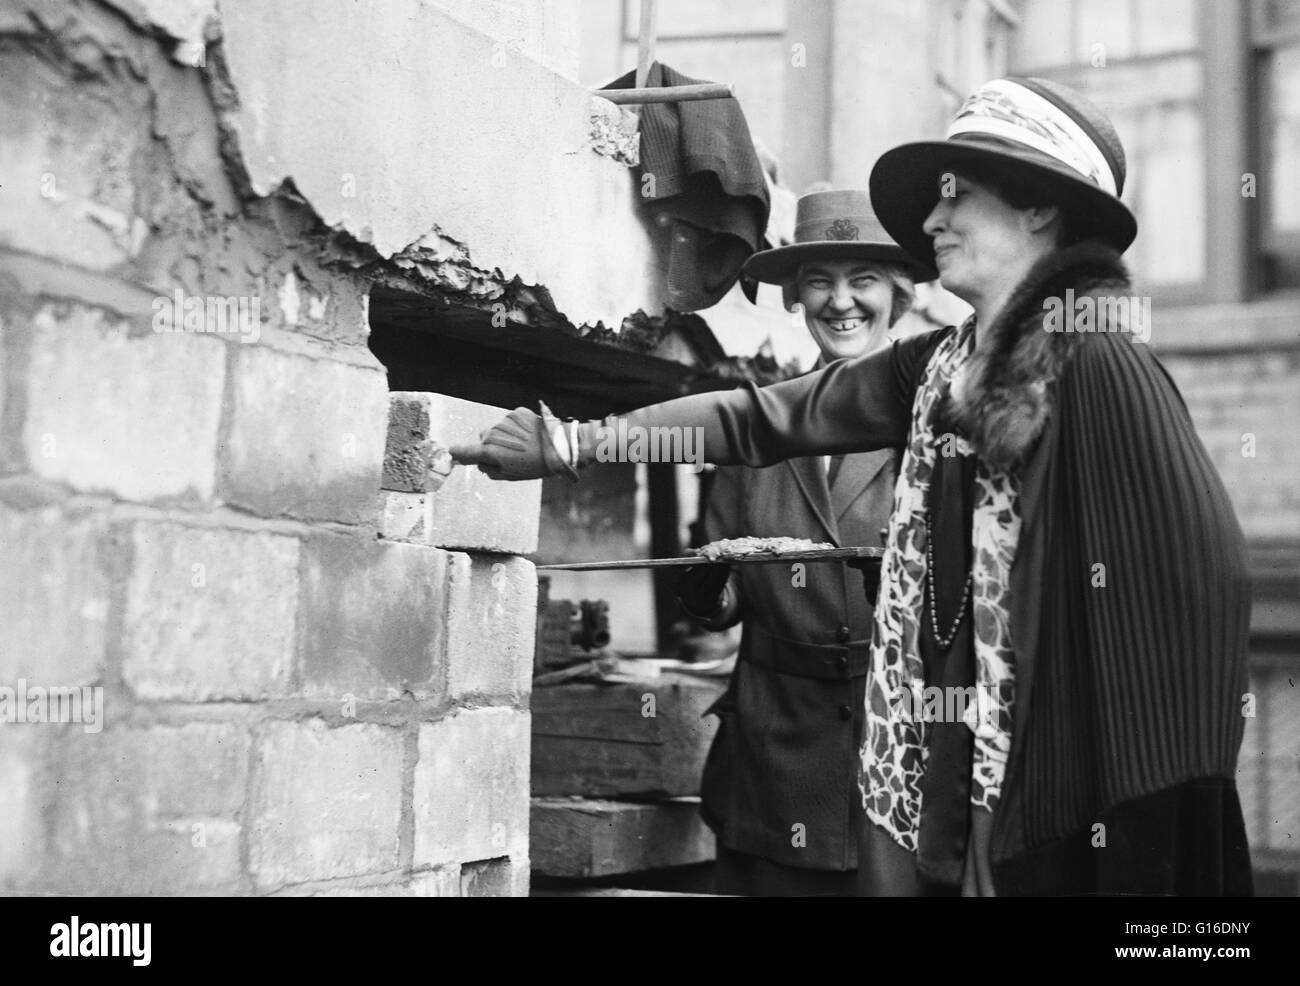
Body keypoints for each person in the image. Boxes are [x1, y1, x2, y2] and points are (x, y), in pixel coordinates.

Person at [453, 77, 1253, 897]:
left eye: (957, 198)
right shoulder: (938, 361)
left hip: (1036, 800)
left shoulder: (1098, 359)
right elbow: (758, 420)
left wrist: (1146, 841)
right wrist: (574, 442)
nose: (934, 223)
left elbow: (1203, 590)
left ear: (1039, 208)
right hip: (922, 772)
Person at [677, 189, 932, 896]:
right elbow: (724, 592)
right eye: (819, 281)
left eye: (864, 281)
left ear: (899, 296)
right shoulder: (756, 425)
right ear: (795, 297)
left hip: (897, 754)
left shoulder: (939, 428)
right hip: (771, 754)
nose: (840, 301)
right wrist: (704, 586)